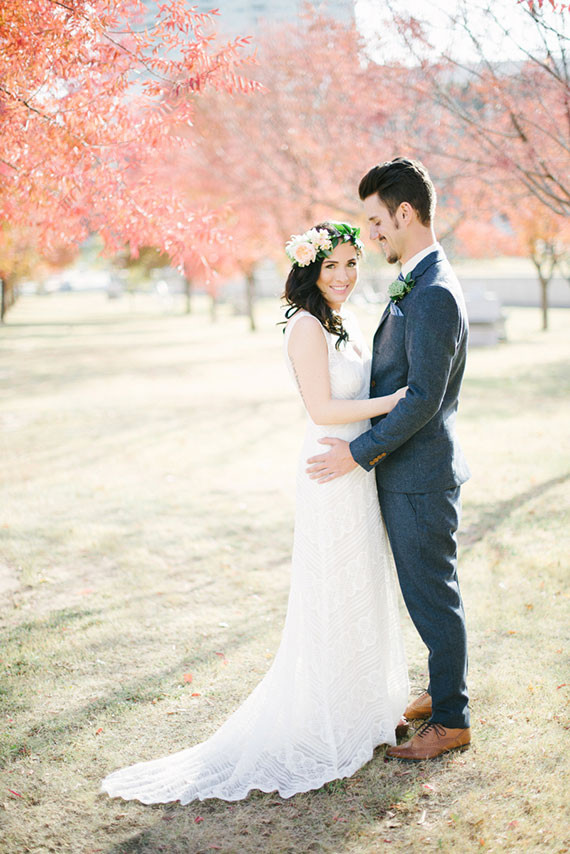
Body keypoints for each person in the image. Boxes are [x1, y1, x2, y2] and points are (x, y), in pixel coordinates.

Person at [101, 221, 409, 805]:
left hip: (356, 467)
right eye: (332, 266)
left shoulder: (337, 322)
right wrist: (395, 402)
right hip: (330, 467)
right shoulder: (305, 326)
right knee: (332, 588)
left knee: (360, 583)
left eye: (350, 263)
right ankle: (326, 721)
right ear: (310, 270)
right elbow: (321, 405)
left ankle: (364, 709)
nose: (343, 275)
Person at [307, 159, 472, 760]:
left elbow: (424, 399)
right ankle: (443, 693)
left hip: (420, 475)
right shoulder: (418, 280)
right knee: (425, 591)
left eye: (376, 221)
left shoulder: (431, 293)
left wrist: (359, 453)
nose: (372, 234)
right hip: (408, 473)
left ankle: (452, 719)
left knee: (432, 594)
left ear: (405, 214)